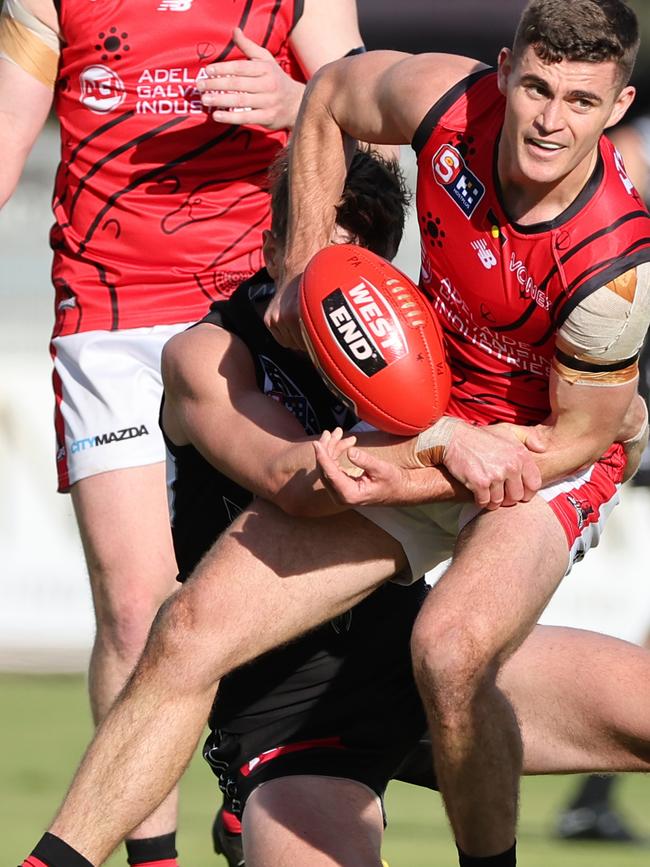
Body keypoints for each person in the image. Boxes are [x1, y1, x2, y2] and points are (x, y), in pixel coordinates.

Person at [16, 1, 650, 866]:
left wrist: (429, 465)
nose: (548, 120)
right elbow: (328, 98)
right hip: (427, 432)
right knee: (186, 628)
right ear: (503, 68)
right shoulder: (443, 102)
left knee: (453, 647)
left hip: (536, 454)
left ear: (617, 108)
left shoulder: (614, 267)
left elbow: (578, 441)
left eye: (581, 101)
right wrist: (306, 271)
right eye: (537, 87)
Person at [0, 0, 363, 863]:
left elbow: (379, 122)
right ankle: (152, 858)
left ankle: (253, 777)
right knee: (134, 605)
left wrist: (295, 101)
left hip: (252, 309)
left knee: (269, 580)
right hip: (107, 311)